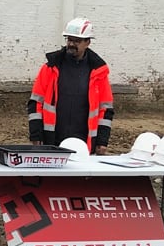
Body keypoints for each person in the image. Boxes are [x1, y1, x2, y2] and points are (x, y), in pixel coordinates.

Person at [27, 17, 114, 155]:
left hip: (85, 141)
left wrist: (102, 141)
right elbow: (35, 103)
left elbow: (106, 110)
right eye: (69, 40)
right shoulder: (50, 68)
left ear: (88, 43)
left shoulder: (99, 72)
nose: (72, 44)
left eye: (77, 41)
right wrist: (36, 135)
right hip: (52, 139)